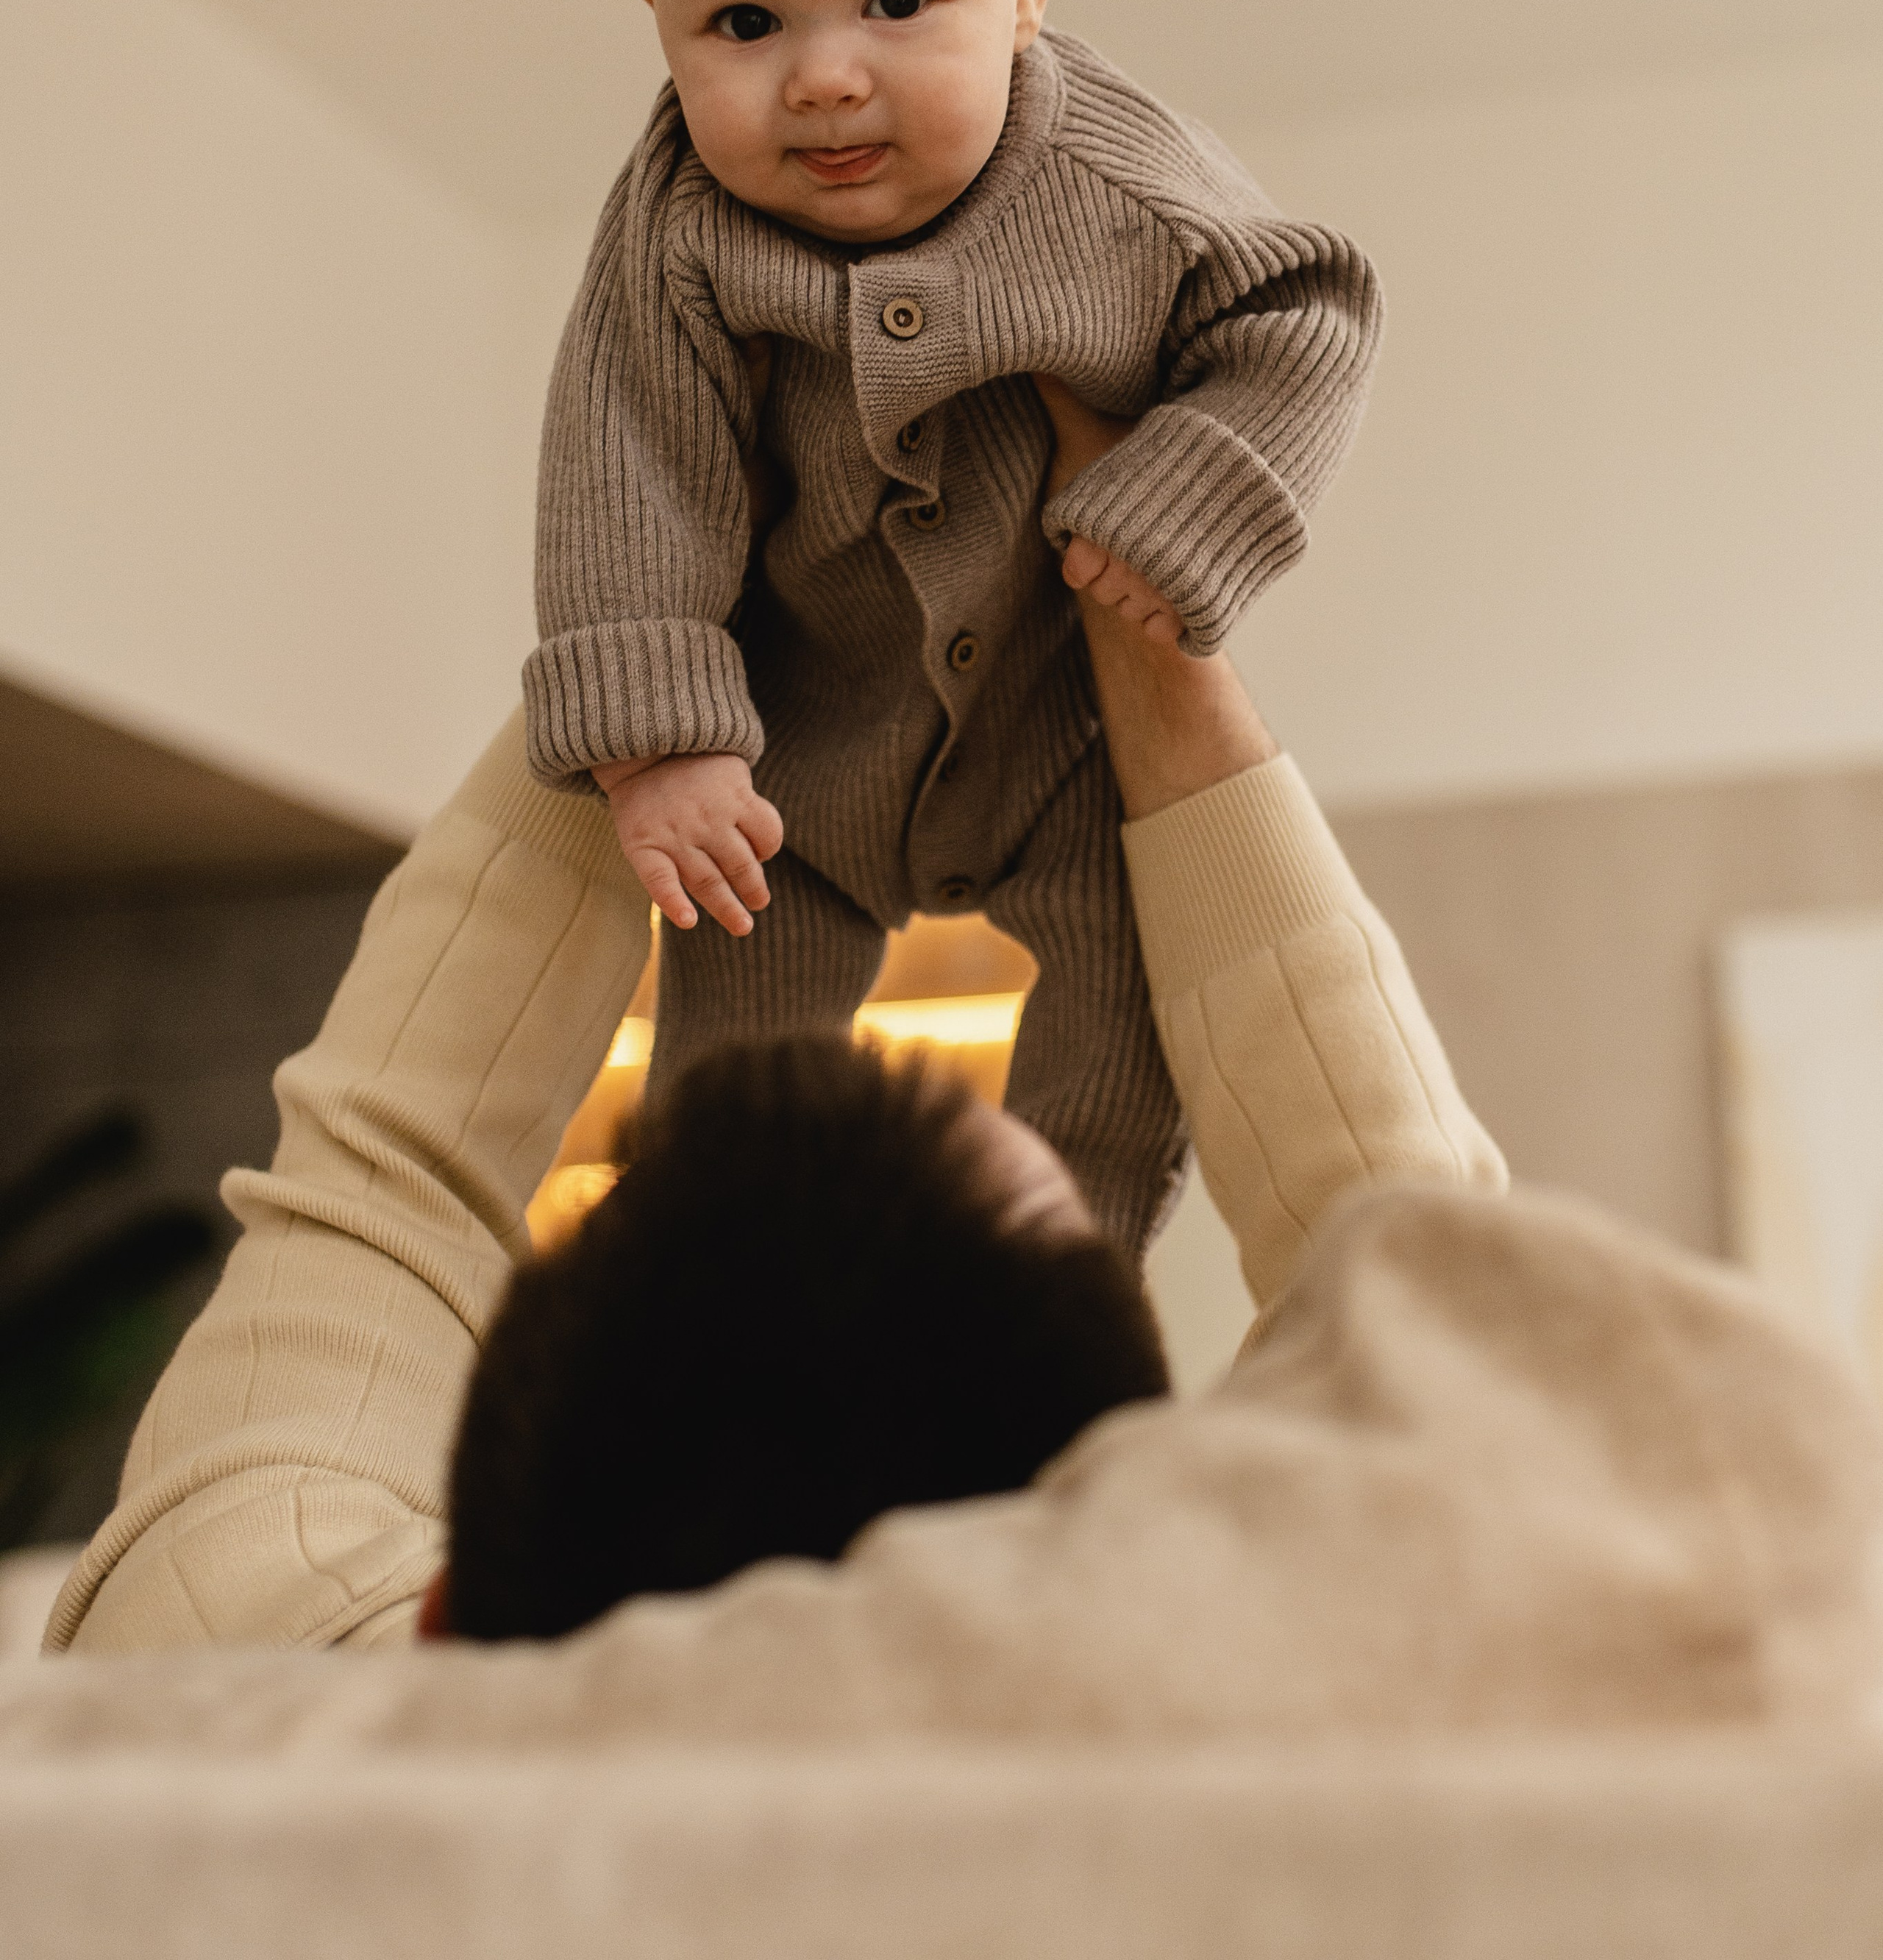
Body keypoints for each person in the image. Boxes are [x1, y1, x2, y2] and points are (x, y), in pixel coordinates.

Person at [46, 388, 1497, 1657]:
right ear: (1068, 1605)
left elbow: (385, 1166)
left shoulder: (219, 1651)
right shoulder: (1237, 1759)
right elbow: (1440, 1309)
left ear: (445, 1607)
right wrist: (1149, 624)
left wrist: (713, 529)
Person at [522, 0, 1382, 1255]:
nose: (825, 74)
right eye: (744, 21)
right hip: (796, 750)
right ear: (655, 11)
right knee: (731, 1068)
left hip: (1067, 735)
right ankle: (716, 1292)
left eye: (901, 1)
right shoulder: (681, 229)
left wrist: (1186, 496)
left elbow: (1304, 312)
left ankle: (1054, 1284)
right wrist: (662, 741)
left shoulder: (1117, 181)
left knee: (1117, 1031)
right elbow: (626, 455)